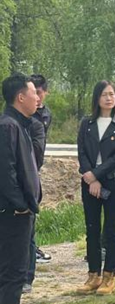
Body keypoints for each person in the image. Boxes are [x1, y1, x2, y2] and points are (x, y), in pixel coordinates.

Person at [76, 81, 115, 296]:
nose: (109, 98)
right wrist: (91, 177)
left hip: (114, 180)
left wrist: (97, 175)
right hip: (89, 181)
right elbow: (81, 151)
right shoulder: (87, 123)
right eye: (104, 94)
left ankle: (109, 276)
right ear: (97, 98)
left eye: (112, 94)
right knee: (92, 229)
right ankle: (93, 275)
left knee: (111, 229)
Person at [0, 73, 40, 304]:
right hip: (13, 215)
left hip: (20, 213)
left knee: (11, 275)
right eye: (33, 92)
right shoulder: (8, 126)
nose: (38, 97)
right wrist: (20, 205)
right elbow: (6, 172)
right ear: (20, 97)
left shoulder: (20, 124)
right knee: (13, 276)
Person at [29, 75, 52, 266]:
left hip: (36, 166)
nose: (36, 97)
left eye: (39, 93)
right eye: (32, 93)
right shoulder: (25, 115)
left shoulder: (46, 114)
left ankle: (32, 247)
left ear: (45, 92)